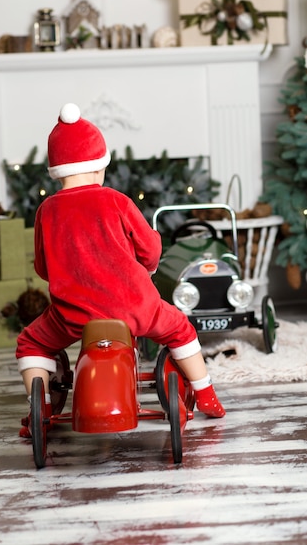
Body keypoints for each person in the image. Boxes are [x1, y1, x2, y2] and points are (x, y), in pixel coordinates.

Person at [16, 103, 225, 434]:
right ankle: (206, 393)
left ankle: (39, 410)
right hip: (135, 307)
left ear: (57, 171)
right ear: (99, 168)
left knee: (31, 343)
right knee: (179, 329)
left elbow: (43, 268)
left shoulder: (47, 210)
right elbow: (150, 249)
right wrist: (149, 266)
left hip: (74, 315)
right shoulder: (117, 201)